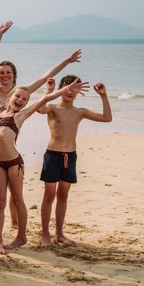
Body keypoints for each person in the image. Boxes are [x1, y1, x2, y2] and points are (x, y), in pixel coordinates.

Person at [0, 21, 82, 229]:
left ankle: (16, 224)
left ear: (14, 77)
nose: (4, 75)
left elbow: (45, 77)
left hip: (8, 144)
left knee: (14, 192)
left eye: (9, 73)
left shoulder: (21, 94)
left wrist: (67, 62)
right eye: (2, 72)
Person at [0, 79, 84, 254]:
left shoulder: (20, 115)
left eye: (25, 99)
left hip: (14, 163)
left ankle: (21, 237)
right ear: (9, 96)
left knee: (18, 199)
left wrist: (65, 89)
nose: (20, 100)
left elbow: (43, 100)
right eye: (17, 96)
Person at [37, 75, 112, 245]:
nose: (70, 91)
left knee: (63, 195)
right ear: (62, 89)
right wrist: (49, 90)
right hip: (53, 156)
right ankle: (45, 235)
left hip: (70, 157)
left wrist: (103, 96)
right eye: (67, 88)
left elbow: (107, 118)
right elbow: (39, 109)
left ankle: (59, 234)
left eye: (75, 88)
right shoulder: (53, 108)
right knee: (49, 195)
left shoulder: (80, 112)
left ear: (80, 91)